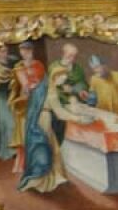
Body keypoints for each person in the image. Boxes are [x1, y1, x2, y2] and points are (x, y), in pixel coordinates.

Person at [17, 63, 92, 194]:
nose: (64, 80)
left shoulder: (42, 88)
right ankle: (43, 182)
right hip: (44, 121)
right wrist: (80, 119)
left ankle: (56, 177)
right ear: (56, 77)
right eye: (63, 77)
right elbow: (60, 113)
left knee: (51, 148)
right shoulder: (51, 92)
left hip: (37, 121)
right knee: (47, 148)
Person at [10, 42, 46, 172]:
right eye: (22, 51)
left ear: (31, 51)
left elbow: (43, 82)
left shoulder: (38, 65)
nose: (24, 54)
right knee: (23, 132)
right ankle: (22, 163)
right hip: (24, 102)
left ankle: (36, 162)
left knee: (36, 130)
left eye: (27, 51)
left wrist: (35, 86)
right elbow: (18, 85)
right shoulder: (18, 67)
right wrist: (25, 88)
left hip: (37, 100)